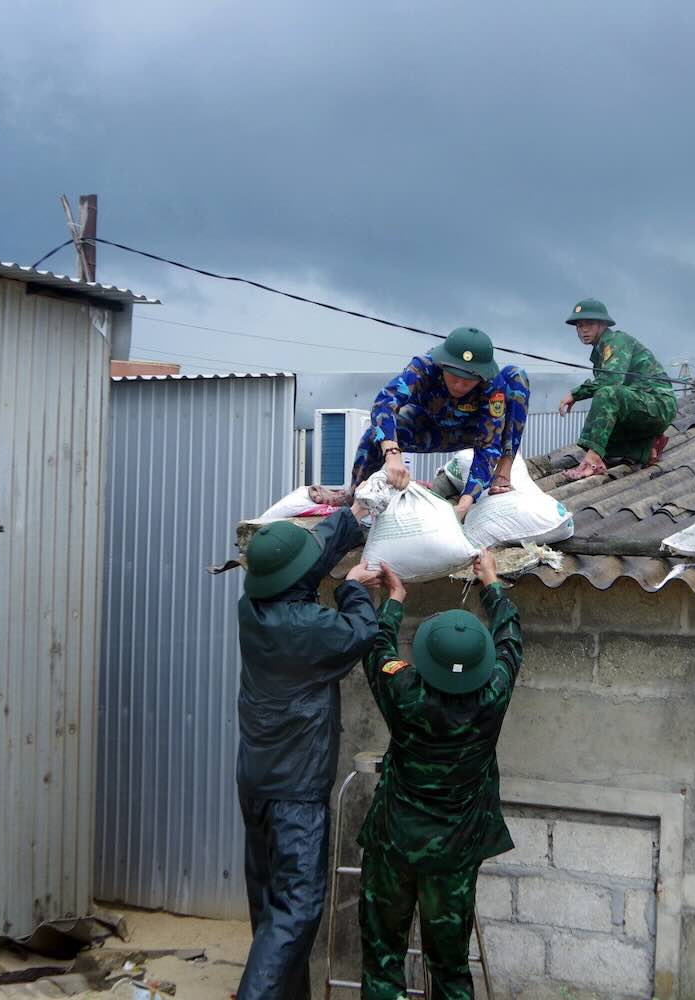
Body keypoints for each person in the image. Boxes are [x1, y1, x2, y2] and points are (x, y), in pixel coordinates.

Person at [355, 551, 524, 1000]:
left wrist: (394, 598)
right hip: (453, 857)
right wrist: (492, 585)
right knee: (449, 971)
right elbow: (511, 643)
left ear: (426, 657)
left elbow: (376, 648)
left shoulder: (404, 690)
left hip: (394, 846)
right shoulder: (493, 695)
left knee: (383, 964)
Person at [234, 502, 384, 1000]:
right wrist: (352, 588)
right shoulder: (307, 628)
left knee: (270, 907)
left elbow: (306, 555)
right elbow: (361, 632)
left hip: (257, 779)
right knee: (297, 909)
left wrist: (354, 514)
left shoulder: (251, 607)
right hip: (296, 790)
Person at [346, 327, 530, 519]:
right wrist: (392, 453)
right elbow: (384, 402)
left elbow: (488, 445)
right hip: (428, 426)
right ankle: (354, 503)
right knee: (373, 435)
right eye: (454, 377)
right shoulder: (424, 366)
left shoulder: (493, 384)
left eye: (468, 381)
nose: (459, 385)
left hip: (470, 431)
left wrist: (465, 503)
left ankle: (503, 473)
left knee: (517, 375)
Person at [557, 298, 676, 481]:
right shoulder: (600, 352)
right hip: (640, 406)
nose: (583, 330)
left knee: (606, 395)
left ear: (602, 324)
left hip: (657, 403)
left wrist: (576, 393)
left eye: (589, 324)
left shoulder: (615, 341)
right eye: (579, 326)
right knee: (605, 443)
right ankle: (647, 448)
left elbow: (611, 380)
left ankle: (592, 462)